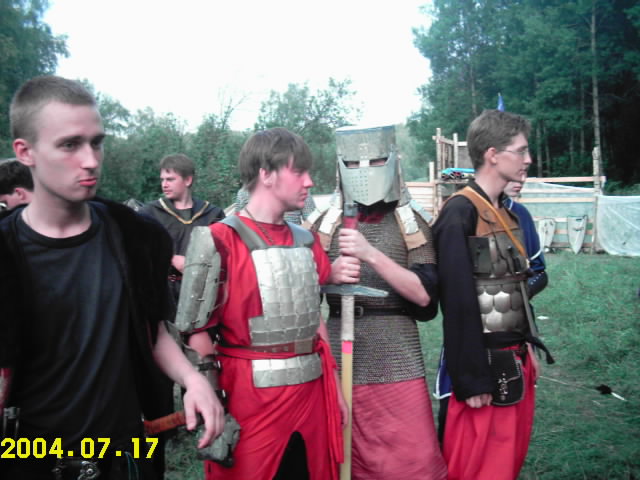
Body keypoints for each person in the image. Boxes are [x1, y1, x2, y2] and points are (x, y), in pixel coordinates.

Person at [0, 75, 223, 479]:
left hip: (125, 453)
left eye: (96, 142)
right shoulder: (6, 250)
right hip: (31, 456)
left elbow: (152, 331)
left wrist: (192, 378)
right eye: (70, 145)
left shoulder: (134, 237)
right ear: (25, 151)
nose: (90, 160)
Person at [187, 127, 347, 480]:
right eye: (298, 171)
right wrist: (213, 400)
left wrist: (334, 388)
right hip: (250, 398)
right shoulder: (219, 240)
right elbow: (196, 332)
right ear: (266, 174)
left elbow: (312, 317)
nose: (308, 181)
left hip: (311, 393)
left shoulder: (306, 241)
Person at [311, 125, 447, 480]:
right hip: (340, 350)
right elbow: (302, 295)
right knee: (343, 455)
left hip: (395, 351)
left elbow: (425, 300)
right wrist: (328, 274)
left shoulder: (410, 223)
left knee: (411, 460)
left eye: (375, 161)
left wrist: (370, 253)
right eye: (354, 163)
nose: (365, 171)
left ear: (393, 161)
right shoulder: (324, 225)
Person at [433, 109, 553, 480]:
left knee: (505, 466)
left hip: (514, 358)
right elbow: (457, 301)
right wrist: (472, 379)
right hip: (483, 368)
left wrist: (528, 349)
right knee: (477, 469)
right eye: (521, 151)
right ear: (493, 155)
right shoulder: (460, 213)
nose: (528, 159)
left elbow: (521, 282)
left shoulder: (507, 213)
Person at [434, 175, 549, 443]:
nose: (521, 177)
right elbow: (455, 289)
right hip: (469, 336)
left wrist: (515, 306)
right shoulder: (462, 210)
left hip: (513, 335)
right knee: (458, 425)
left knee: (506, 429)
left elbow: (538, 272)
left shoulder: (519, 214)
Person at [141, 153, 225, 301]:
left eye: (170, 179)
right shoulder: (150, 213)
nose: (164, 184)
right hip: (161, 293)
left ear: (188, 180)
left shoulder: (213, 214)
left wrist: (194, 265)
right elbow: (136, 251)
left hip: (201, 293)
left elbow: (223, 257)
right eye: (162, 179)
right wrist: (170, 258)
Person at [234, 184, 317, 225]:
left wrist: (300, 235)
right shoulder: (245, 191)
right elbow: (239, 224)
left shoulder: (299, 188)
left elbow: (313, 220)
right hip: (258, 247)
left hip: (294, 245)